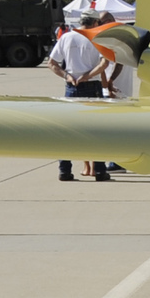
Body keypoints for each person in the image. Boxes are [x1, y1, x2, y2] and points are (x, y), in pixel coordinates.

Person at [48, 12, 112, 182]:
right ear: (95, 22)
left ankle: (65, 170)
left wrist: (67, 76)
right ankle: (99, 170)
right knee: (96, 129)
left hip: (71, 86)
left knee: (68, 129)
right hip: (92, 86)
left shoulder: (66, 37)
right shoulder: (97, 38)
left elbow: (52, 63)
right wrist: (88, 76)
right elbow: (104, 63)